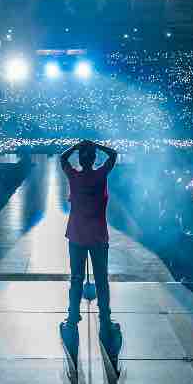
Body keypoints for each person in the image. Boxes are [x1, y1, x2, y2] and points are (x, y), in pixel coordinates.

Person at [60, 139, 118, 329]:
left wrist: (75, 147)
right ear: (94, 159)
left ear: (81, 159)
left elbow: (62, 158)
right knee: (101, 279)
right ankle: (105, 318)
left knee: (76, 278)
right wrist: (96, 145)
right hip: (98, 235)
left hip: (77, 234)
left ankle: (73, 317)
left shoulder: (74, 177)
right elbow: (114, 155)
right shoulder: (101, 175)